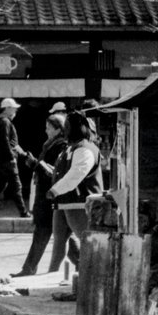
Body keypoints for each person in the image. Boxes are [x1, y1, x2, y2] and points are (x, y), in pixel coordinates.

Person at [10, 112, 70, 277]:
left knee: (48, 234)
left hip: (51, 196)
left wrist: (34, 163)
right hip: (46, 196)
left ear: (58, 129)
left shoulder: (61, 146)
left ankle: (30, 269)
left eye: (49, 128)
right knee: (62, 237)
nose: (46, 131)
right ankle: (31, 269)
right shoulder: (50, 144)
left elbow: (53, 172)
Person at [47, 111, 103, 276]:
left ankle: (91, 275)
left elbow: (77, 174)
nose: (65, 129)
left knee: (85, 240)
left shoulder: (84, 148)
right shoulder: (71, 147)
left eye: (67, 125)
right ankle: (52, 275)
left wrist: (56, 189)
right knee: (59, 242)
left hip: (78, 202)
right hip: (65, 201)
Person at [0, 97, 34, 218]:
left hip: (2, 159)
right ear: (7, 109)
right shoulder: (5, 122)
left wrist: (23, 154)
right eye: (13, 109)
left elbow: (13, 143)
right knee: (16, 186)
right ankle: (23, 212)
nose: (15, 112)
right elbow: (5, 141)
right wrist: (11, 157)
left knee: (0, 185)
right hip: (7, 160)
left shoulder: (1, 121)